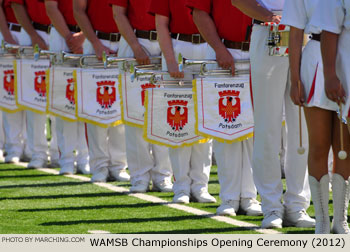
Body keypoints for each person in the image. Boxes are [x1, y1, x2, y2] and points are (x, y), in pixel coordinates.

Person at [228, 0, 315, 228]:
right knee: (267, 125)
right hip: (269, 30)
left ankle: (297, 205)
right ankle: (271, 206)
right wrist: (269, 15)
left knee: (302, 127)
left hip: (305, 32)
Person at [187, 0, 262, 216]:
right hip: (224, 51)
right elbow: (200, 12)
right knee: (225, 127)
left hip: (261, 52)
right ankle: (229, 197)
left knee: (254, 129)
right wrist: (219, 48)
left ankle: (249, 196)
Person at [148, 0, 216, 204]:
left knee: (205, 120)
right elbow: (161, 23)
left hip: (208, 46)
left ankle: (200, 185)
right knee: (178, 122)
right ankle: (181, 185)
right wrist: (170, 60)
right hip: (179, 47)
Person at [109, 0, 173, 192]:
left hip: (167, 43)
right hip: (135, 42)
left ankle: (163, 175)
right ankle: (139, 176)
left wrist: (168, 50)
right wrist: (136, 46)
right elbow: (118, 13)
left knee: (164, 114)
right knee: (135, 115)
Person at [73, 0, 129, 182]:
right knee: (95, 106)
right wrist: (95, 43)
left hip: (125, 40)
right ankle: (99, 166)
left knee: (121, 105)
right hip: (95, 41)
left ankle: (119, 165)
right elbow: (78, 10)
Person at [310, 0, 350, 233]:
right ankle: (322, 221)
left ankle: (340, 219)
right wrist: (330, 75)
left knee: (346, 148)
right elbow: (329, 31)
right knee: (320, 145)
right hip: (338, 72)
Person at [10, 0, 59, 168]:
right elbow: (16, 4)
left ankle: (58, 152)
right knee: (34, 99)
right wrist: (34, 36)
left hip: (61, 33)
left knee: (59, 97)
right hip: (33, 32)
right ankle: (37, 153)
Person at [44, 0, 90, 175]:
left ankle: (85, 158)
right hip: (62, 34)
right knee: (65, 100)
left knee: (87, 99)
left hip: (89, 34)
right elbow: (51, 6)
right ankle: (67, 160)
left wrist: (83, 36)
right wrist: (70, 38)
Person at [0, 0, 31, 164]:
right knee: (9, 94)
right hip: (10, 32)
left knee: (31, 95)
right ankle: (13, 147)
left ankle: (29, 147)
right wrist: (7, 37)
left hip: (31, 34)